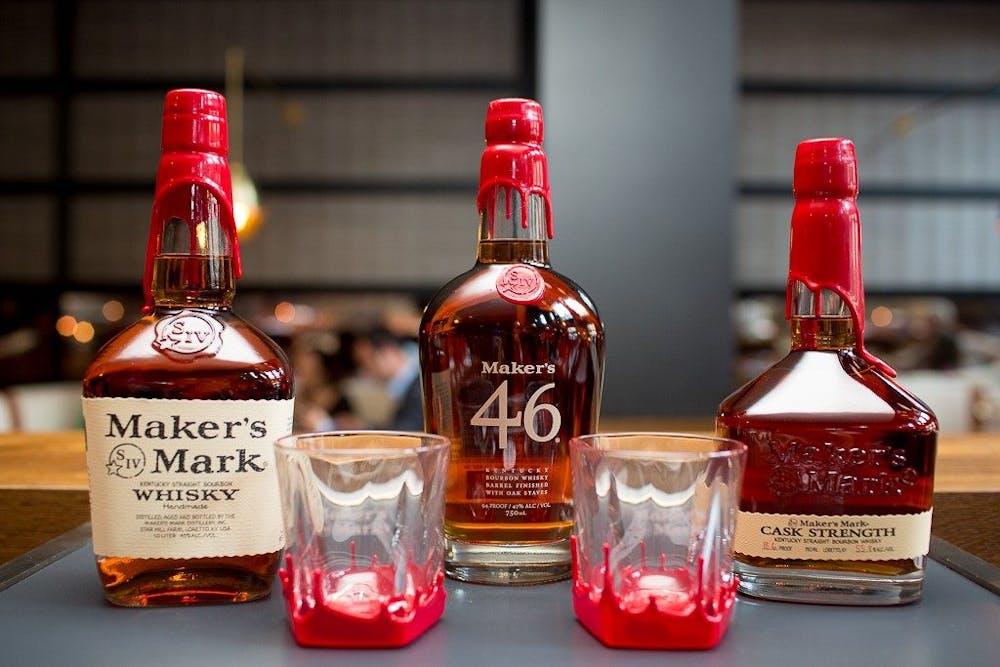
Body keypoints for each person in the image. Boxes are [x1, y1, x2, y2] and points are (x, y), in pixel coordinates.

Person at [351, 327, 424, 431]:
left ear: (387, 351)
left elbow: (408, 430)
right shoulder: (411, 380)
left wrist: (363, 428)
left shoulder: (421, 382)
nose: (365, 369)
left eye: (365, 361)